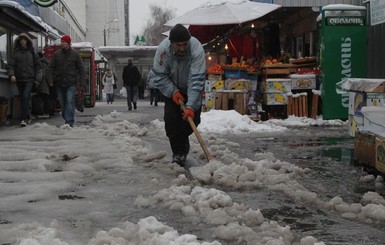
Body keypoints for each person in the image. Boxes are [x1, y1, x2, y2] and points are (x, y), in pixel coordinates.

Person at [152, 24, 206, 166]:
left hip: (191, 88)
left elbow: (196, 79)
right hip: (171, 88)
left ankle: (182, 142)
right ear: (171, 43)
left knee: (192, 121)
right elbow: (159, 76)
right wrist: (173, 92)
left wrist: (191, 106)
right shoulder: (163, 51)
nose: (182, 48)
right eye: (178, 45)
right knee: (171, 121)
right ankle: (178, 153)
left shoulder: (196, 49)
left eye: (184, 44)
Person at [48, 34, 85, 127]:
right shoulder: (56, 54)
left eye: (63, 42)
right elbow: (51, 68)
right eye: (61, 42)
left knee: (69, 101)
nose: (62, 43)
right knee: (62, 103)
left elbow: (81, 69)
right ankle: (66, 117)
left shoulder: (75, 54)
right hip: (59, 82)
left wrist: (82, 83)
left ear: (68, 43)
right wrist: (50, 79)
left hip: (71, 82)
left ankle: (69, 121)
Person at [8, 33, 42, 127]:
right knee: (23, 98)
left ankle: (24, 119)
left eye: (24, 39)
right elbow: (11, 65)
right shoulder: (16, 53)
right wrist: (11, 75)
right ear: (19, 41)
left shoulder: (32, 52)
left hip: (29, 79)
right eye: (21, 40)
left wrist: (37, 79)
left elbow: (38, 66)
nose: (22, 41)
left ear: (27, 41)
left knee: (26, 96)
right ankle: (27, 116)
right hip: (19, 79)